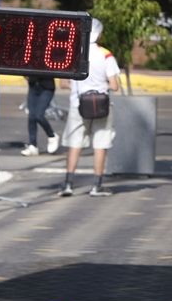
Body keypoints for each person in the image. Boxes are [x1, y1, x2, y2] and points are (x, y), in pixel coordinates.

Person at [57, 18, 122, 198]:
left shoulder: (73, 53)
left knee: (74, 144)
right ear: (99, 34)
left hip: (77, 104)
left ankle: (68, 184)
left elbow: (63, 83)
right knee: (101, 144)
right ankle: (97, 186)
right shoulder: (106, 55)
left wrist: (79, 87)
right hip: (102, 106)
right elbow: (114, 85)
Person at [20, 74, 59, 157]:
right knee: (31, 116)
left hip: (47, 87)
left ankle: (52, 136)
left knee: (39, 115)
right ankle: (32, 145)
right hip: (33, 86)